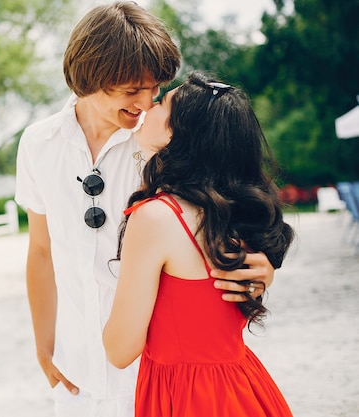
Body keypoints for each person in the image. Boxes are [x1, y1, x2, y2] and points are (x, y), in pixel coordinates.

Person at [15, 3, 276, 416]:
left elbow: (231, 199)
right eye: (132, 90)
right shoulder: (37, 143)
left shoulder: (162, 141)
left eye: (155, 89)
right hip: (76, 372)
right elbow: (41, 251)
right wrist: (44, 346)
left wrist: (262, 263)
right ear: (90, 78)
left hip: (154, 377)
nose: (146, 102)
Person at [103, 72, 295, 416]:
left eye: (161, 103)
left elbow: (119, 350)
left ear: (176, 133)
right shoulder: (236, 210)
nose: (149, 105)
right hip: (243, 385)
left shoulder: (155, 218)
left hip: (187, 397)